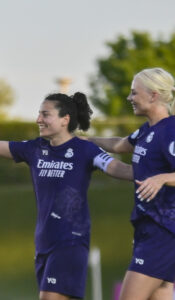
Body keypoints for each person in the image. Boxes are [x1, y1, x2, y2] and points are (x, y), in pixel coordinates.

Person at [0, 92, 133, 300]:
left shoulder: (85, 150)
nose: (38, 120)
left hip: (70, 241)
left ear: (65, 120)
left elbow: (118, 168)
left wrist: (157, 174)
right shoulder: (34, 148)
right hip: (44, 244)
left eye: (45, 114)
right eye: (38, 114)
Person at [86, 67, 175, 300]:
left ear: (153, 95)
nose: (129, 98)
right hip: (150, 229)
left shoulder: (171, 131)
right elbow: (119, 145)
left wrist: (163, 178)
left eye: (134, 93)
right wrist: (86, 141)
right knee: (161, 294)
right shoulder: (148, 131)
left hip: (162, 231)